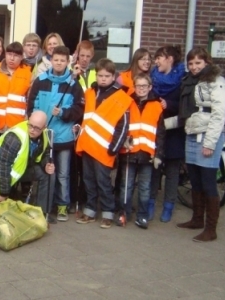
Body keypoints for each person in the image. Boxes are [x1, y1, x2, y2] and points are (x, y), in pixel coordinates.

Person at [177, 47, 225, 242]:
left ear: (207, 62)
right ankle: (197, 219)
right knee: (195, 180)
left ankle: (211, 228)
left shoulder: (216, 82)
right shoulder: (193, 81)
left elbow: (218, 115)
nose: (194, 66)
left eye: (198, 63)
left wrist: (210, 143)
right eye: (190, 63)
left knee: (208, 182)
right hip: (192, 133)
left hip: (207, 136)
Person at [75, 58, 133, 229]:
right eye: (100, 75)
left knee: (103, 182)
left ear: (113, 76)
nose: (103, 79)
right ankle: (90, 211)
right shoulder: (91, 92)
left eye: (107, 76)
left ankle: (108, 212)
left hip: (105, 148)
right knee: (88, 180)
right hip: (87, 145)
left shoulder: (121, 97)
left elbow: (123, 126)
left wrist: (114, 148)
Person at [28, 45, 84, 222]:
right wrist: (36, 123)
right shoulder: (41, 80)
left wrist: (63, 113)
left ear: (68, 62)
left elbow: (79, 109)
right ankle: (45, 205)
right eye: (56, 59)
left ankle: (62, 205)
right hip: (44, 134)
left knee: (63, 173)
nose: (59, 63)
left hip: (64, 136)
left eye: (62, 60)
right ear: (50, 60)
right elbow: (31, 104)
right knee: (45, 171)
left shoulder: (74, 84)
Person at [116, 73, 165, 229]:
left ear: (150, 87)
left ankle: (142, 216)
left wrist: (159, 154)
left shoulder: (157, 105)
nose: (141, 89)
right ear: (134, 87)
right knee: (126, 186)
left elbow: (161, 134)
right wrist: (123, 141)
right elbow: (121, 126)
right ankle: (124, 213)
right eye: (138, 86)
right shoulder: (128, 103)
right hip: (129, 151)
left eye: (144, 86)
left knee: (144, 187)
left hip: (147, 154)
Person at [0, 111, 55, 210]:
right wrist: (3, 193)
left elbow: (45, 153)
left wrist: (47, 164)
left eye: (37, 128)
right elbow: (2, 166)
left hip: (19, 172)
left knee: (48, 174)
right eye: (30, 125)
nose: (32, 130)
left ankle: (42, 213)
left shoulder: (45, 135)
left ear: (44, 127)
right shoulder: (15, 137)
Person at [148, 45, 186, 222]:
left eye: (159, 58)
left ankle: (168, 207)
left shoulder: (183, 80)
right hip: (155, 131)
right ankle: (150, 204)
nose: (156, 61)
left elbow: (187, 107)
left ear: (170, 58)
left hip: (174, 132)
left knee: (172, 172)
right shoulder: (152, 79)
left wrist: (168, 105)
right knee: (154, 170)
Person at [69, 40, 96, 214]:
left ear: (92, 56)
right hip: (75, 121)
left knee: (87, 165)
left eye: (88, 56)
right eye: (82, 56)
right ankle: (72, 199)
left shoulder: (94, 73)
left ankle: (86, 198)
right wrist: (73, 76)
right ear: (77, 55)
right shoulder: (72, 71)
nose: (84, 59)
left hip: (90, 123)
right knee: (73, 164)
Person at [0, 42, 32, 134]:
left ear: (21, 57)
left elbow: (31, 100)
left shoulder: (28, 73)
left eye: (15, 55)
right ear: (5, 54)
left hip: (17, 126)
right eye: (9, 54)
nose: (12, 58)